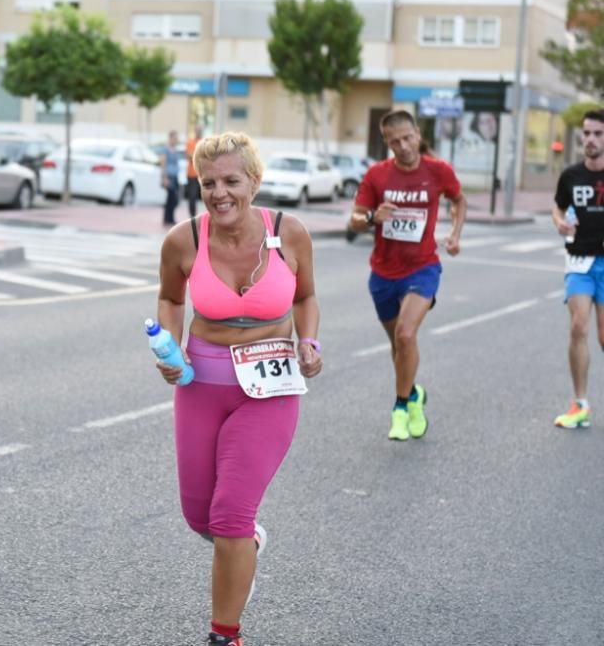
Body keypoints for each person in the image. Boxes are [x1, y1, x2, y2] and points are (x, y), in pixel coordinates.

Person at [155, 131, 323, 646]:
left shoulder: (289, 232)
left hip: (270, 388)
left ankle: (225, 634)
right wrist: (171, 344)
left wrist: (309, 340)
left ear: (254, 181)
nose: (219, 192)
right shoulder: (183, 240)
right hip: (201, 382)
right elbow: (169, 299)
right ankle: (245, 544)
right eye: (208, 183)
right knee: (199, 515)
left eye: (231, 180)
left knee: (230, 514)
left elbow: (307, 296)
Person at [346, 110, 466, 441]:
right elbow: (354, 220)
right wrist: (372, 216)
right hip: (383, 271)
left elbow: (458, 199)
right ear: (387, 143)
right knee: (397, 345)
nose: (402, 146)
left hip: (423, 267)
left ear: (417, 133)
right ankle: (414, 393)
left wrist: (455, 234)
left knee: (405, 335)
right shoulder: (377, 175)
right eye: (394, 141)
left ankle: (401, 408)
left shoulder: (438, 170)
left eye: (407, 137)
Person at [551, 109, 604, 429]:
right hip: (580, 261)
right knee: (578, 327)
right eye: (587, 133)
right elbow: (557, 205)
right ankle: (580, 403)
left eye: (598, 134)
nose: (591, 140)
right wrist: (559, 222)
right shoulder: (571, 175)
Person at [160, 129, 181, 226]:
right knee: (170, 198)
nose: (176, 140)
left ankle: (171, 217)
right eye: (175, 138)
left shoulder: (175, 149)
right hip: (168, 176)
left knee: (174, 199)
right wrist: (164, 177)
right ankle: (167, 219)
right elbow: (163, 163)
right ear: (171, 138)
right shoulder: (166, 149)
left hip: (175, 176)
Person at [185, 124, 203, 218]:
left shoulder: (204, 142)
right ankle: (192, 216)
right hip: (192, 174)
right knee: (192, 196)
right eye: (197, 130)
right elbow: (188, 155)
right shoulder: (190, 142)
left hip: (202, 174)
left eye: (200, 130)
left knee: (203, 196)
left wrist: (195, 155)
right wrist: (199, 155)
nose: (198, 132)